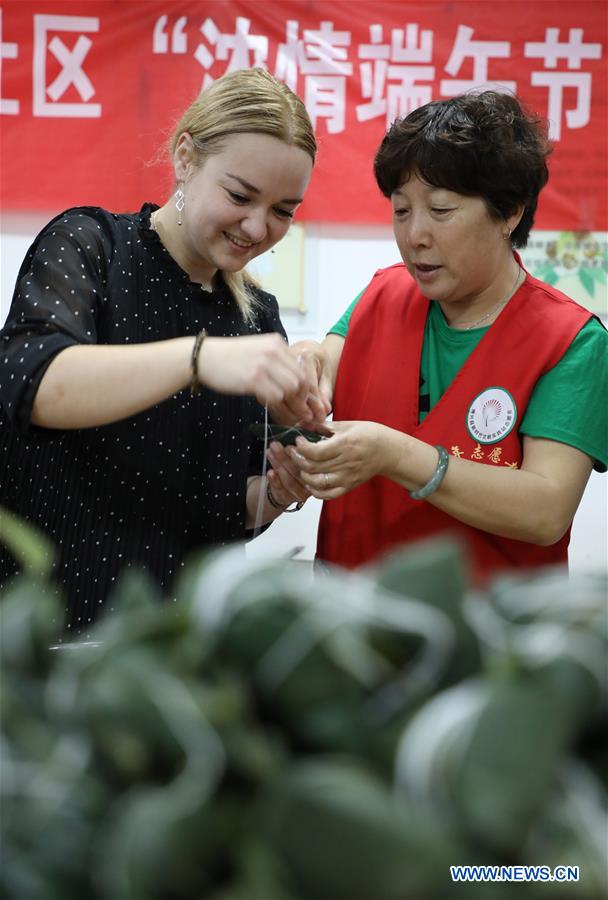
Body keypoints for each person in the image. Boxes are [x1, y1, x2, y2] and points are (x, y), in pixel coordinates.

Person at [0, 68, 326, 634]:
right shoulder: (91, 246)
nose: (257, 226)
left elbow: (222, 509)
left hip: (179, 644)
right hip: (53, 628)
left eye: (283, 211)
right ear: (185, 157)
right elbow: (32, 381)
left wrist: (277, 490)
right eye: (240, 195)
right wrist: (198, 359)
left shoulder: (257, 317)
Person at [269, 91, 607, 581]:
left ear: (509, 211)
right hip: (347, 621)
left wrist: (397, 454)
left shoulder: (569, 340)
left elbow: (545, 510)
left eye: (441, 210)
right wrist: (305, 362)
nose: (415, 235)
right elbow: (325, 361)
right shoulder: (383, 294)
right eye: (402, 211)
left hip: (485, 642)